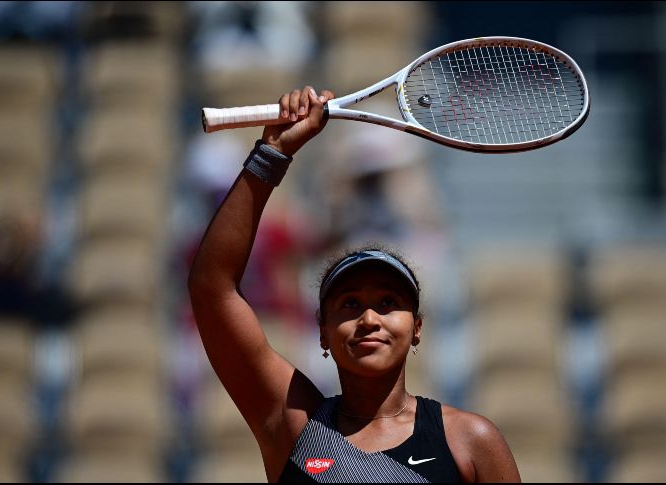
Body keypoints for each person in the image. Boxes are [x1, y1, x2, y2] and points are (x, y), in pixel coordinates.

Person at [188, 86, 521, 483]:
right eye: (348, 304)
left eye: (387, 302)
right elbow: (212, 289)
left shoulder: (470, 441)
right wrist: (272, 153)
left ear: (417, 328)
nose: (368, 318)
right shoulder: (294, 427)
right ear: (323, 332)